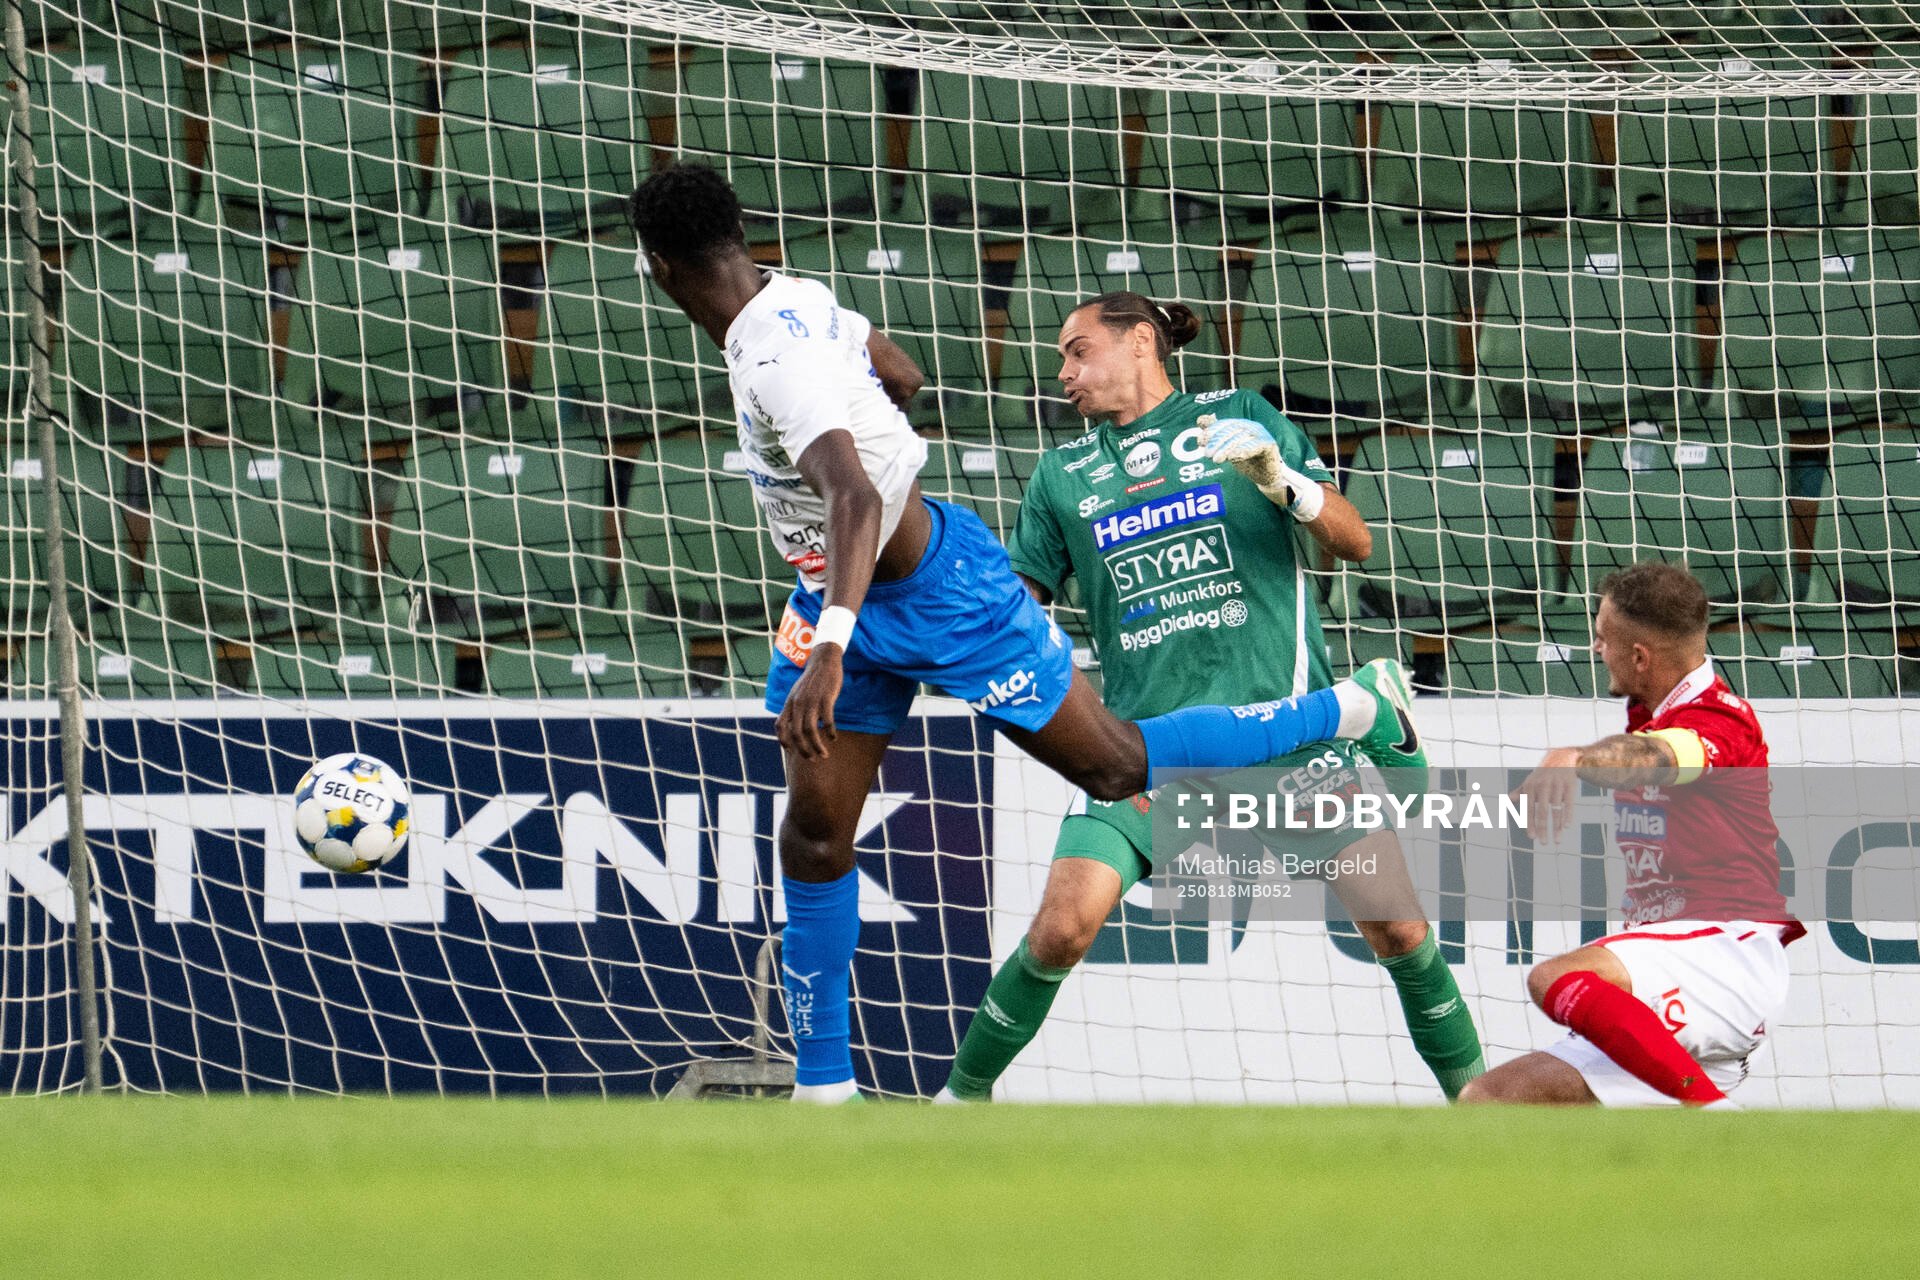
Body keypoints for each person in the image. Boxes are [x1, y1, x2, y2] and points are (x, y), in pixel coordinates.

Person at [627, 165, 1426, 1102]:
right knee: (813, 836)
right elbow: (901, 377)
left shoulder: (773, 362)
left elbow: (854, 492)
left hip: (932, 590)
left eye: (1077, 351)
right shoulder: (793, 297)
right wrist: (830, 570)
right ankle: (825, 1093)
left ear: (657, 264)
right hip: (836, 594)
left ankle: (1349, 706)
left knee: (1120, 769)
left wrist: (833, 641)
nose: (1063, 372)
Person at [935, 292, 1486, 1103]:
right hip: (1148, 753)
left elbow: (1356, 539)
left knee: (1399, 930)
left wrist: (1280, 479)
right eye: (1062, 358)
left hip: (1285, 744)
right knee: (1060, 929)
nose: (1064, 373)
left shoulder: (1240, 417)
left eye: (1078, 350)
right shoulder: (1062, 475)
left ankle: (1482, 1109)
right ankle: (957, 1106)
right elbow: (1021, 601)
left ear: (1141, 345)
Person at [1463, 561, 1802, 1107]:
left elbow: (1663, 758)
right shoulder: (1648, 711)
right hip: (1671, 982)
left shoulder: (1720, 722)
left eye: (1602, 638)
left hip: (1725, 959)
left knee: (1553, 977)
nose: (1597, 649)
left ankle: (1714, 1115)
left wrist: (1574, 758)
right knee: (1490, 1101)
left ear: (1639, 655)